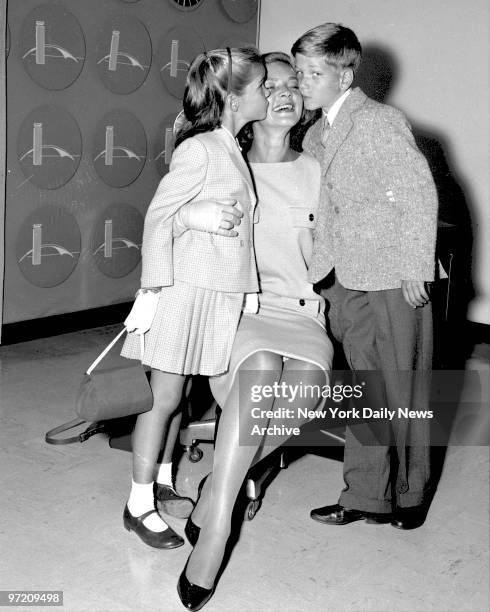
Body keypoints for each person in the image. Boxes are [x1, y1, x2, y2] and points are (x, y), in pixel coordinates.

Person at [175, 52, 334, 611]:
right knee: (261, 370)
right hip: (240, 312)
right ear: (250, 98)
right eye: (274, 84)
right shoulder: (221, 163)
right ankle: (216, 531)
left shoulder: (320, 172)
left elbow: (347, 246)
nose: (287, 93)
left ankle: (216, 486)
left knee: (306, 389)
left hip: (300, 312)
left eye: (296, 85)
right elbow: (174, 226)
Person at [120, 47, 270, 549]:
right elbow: (159, 217)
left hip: (216, 294)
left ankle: (162, 480)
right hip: (183, 291)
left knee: (182, 396)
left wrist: (248, 289)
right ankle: (137, 504)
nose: (269, 94)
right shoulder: (201, 148)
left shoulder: (231, 147)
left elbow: (245, 233)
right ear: (232, 97)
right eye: (261, 87)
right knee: (162, 398)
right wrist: (188, 220)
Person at [291, 23, 438, 530]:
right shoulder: (313, 134)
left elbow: (417, 193)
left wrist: (416, 266)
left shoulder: (378, 120)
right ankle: (366, 496)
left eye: (314, 73)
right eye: (300, 71)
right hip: (342, 278)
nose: (303, 82)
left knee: (405, 390)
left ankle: (411, 495)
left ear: (345, 74)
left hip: (395, 277)